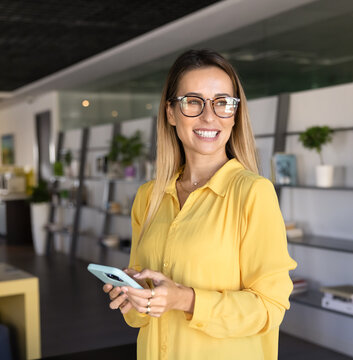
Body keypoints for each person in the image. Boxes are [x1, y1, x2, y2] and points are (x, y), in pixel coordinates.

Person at [102, 49, 297, 359]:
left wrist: (186, 299)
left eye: (222, 103)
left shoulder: (253, 193)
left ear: (234, 114)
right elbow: (139, 317)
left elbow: (269, 307)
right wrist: (133, 298)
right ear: (170, 113)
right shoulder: (148, 198)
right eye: (193, 102)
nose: (209, 116)